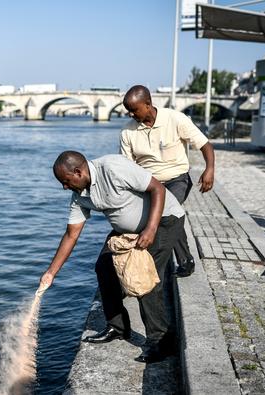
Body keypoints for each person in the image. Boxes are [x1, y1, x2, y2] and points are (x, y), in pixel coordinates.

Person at [39, 151, 185, 363]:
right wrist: (50, 273)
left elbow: (157, 189)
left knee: (143, 278)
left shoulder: (113, 167)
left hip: (163, 220)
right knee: (104, 267)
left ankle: (161, 340)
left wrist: (151, 229)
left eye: (66, 181)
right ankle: (118, 327)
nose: (64, 187)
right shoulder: (79, 195)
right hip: (127, 231)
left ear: (78, 172)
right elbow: (72, 234)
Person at [120, 85, 215, 277]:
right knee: (164, 215)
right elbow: (126, 168)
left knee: (165, 210)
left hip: (177, 179)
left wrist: (209, 169)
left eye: (134, 110)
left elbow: (204, 144)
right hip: (148, 183)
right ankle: (186, 259)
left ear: (148, 104)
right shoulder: (127, 132)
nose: (130, 114)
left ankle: (155, 267)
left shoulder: (175, 118)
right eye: (128, 111)